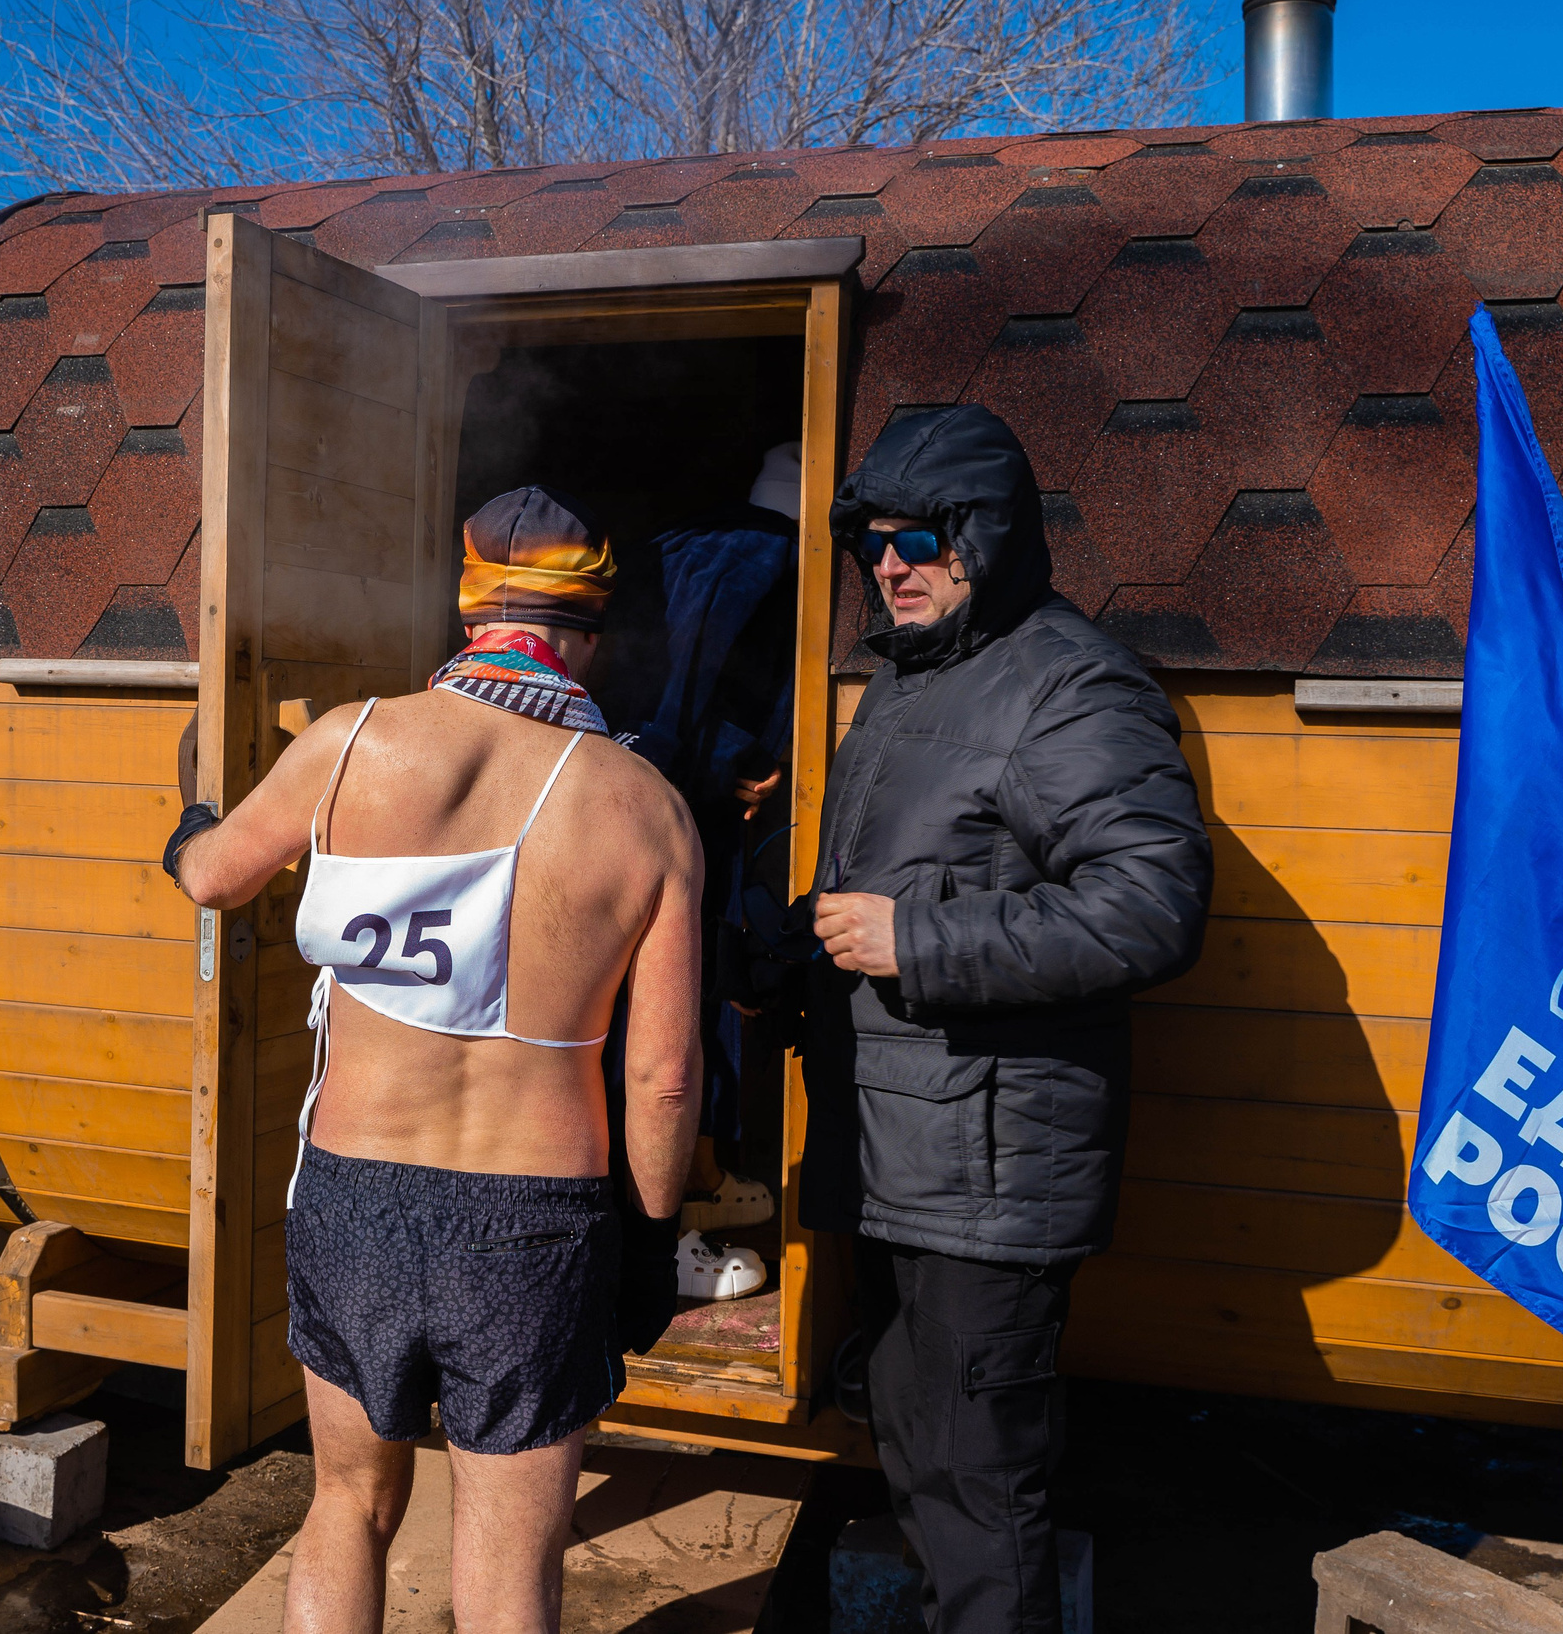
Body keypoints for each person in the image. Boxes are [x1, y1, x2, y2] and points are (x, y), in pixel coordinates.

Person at [166, 486, 704, 1634]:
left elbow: (210, 876)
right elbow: (663, 1077)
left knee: (346, 1504)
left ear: (468, 616)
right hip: (529, 1220)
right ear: (589, 629)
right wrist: (653, 1241)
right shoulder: (647, 809)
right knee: (508, 1577)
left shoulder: (349, 741)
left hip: (352, 1194)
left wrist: (190, 819)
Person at [799, 404, 1211, 1632]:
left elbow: (1149, 906)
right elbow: (902, 884)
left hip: (986, 1179)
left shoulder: (1071, 688)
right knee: (923, 1471)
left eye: (920, 538)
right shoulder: (914, 677)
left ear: (985, 535)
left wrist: (916, 941)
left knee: (981, 1504)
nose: (891, 564)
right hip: (901, 1157)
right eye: (873, 541)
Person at [592, 441, 801, 1293]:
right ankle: (666, 1227)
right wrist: (749, 762)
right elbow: (722, 696)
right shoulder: (776, 561)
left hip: (616, 793)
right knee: (684, 1002)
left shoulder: (675, 548)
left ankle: (699, 1184)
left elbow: (655, 690)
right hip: (692, 811)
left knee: (631, 1001)